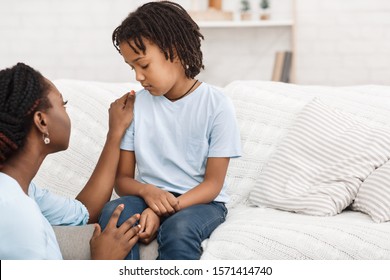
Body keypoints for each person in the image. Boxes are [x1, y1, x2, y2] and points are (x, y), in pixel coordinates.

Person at [98, 1, 242, 260]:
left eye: (144, 65)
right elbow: (123, 180)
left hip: (202, 203)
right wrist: (147, 193)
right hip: (148, 197)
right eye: (132, 68)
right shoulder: (136, 106)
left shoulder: (217, 105)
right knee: (114, 212)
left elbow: (212, 184)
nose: (138, 77)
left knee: (180, 228)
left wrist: (162, 209)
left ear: (173, 50)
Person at [0, 62, 140, 260]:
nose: (66, 112)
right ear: (42, 121)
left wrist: (115, 134)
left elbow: (84, 212)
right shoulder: (16, 214)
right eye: (62, 104)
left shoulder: (26, 191)